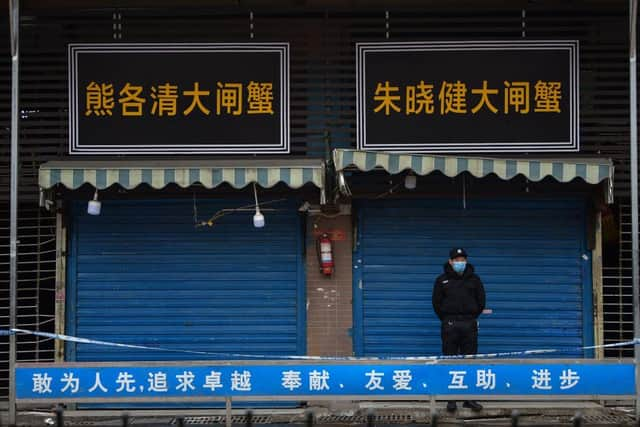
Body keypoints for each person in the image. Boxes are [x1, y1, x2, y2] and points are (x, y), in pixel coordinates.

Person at [432, 247, 486, 413]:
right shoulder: (442, 280)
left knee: (469, 362)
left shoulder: (474, 280)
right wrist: (448, 319)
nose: (460, 263)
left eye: (462, 260)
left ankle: (469, 398)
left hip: (469, 324)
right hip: (450, 324)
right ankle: (451, 399)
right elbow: (436, 303)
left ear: (466, 261)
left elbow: (481, 301)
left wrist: (470, 317)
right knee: (450, 360)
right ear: (450, 261)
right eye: (457, 260)